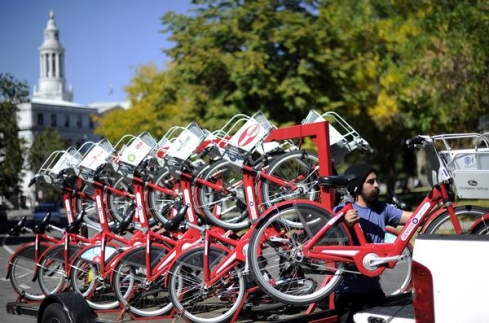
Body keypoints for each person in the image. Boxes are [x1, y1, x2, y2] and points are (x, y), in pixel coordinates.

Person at [333, 163, 413, 323]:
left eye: (376, 180)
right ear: (357, 185)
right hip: (348, 293)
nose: (376, 185)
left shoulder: (382, 208)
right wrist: (344, 225)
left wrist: (434, 206)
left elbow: (412, 218)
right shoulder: (341, 211)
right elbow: (328, 240)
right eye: (370, 182)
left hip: (374, 290)